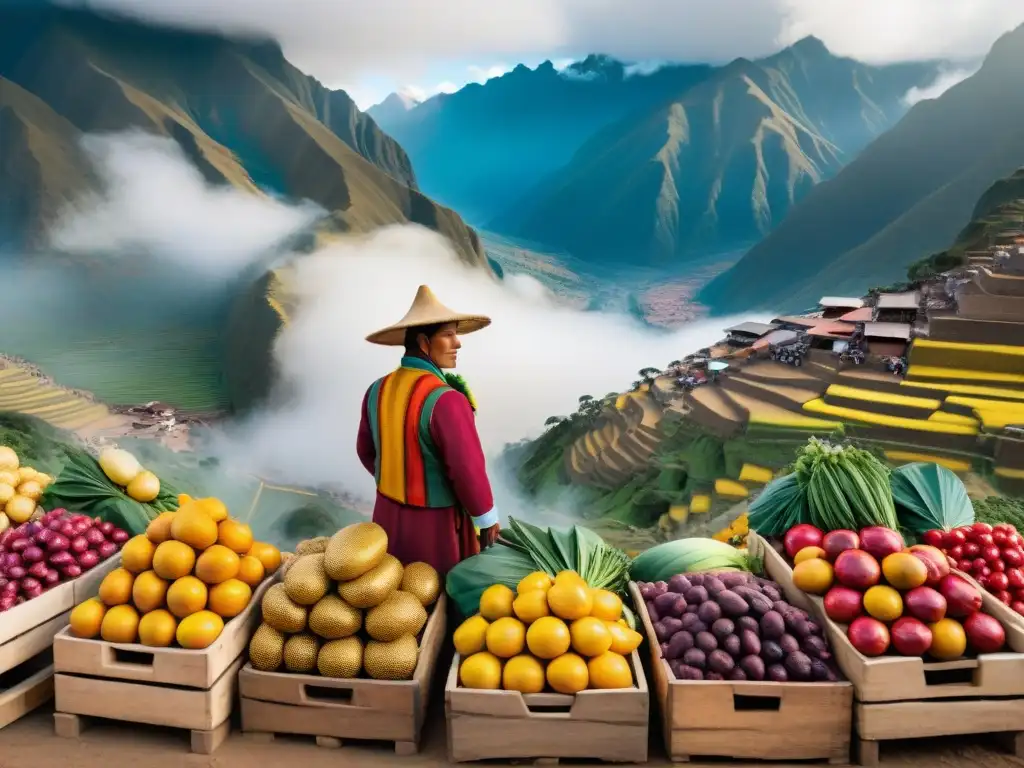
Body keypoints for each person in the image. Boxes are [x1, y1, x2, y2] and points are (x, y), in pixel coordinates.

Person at [356, 285, 500, 576]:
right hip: (436, 529)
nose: (457, 343)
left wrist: (397, 479)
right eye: (448, 335)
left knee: (387, 593)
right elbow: (466, 470)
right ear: (424, 342)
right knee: (435, 597)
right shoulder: (446, 400)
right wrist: (487, 520)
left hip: (385, 518)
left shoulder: (377, 389)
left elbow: (366, 451)